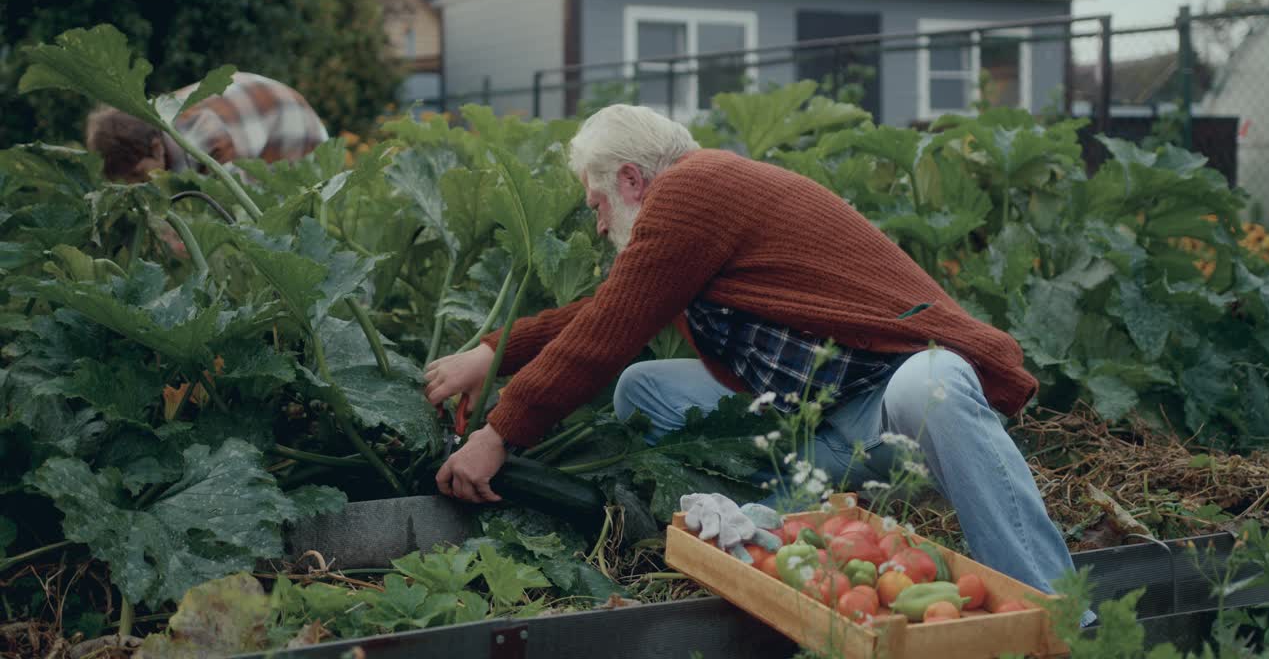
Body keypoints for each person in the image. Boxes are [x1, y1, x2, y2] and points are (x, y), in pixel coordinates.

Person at [424, 104, 1076, 598]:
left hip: (890, 418)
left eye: (597, 204)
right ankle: (774, 534)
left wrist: (499, 435)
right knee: (643, 388)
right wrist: (492, 354)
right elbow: (607, 311)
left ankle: (1056, 609)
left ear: (630, 179)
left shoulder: (695, 188)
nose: (598, 224)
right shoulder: (690, 213)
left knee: (929, 382)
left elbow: (606, 333)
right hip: (815, 430)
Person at [85, 72, 329, 183]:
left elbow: (234, 194)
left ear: (157, 148)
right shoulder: (137, 121)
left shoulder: (198, 137)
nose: (134, 186)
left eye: (138, 174)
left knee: (286, 213)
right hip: (250, 111)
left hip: (289, 123)